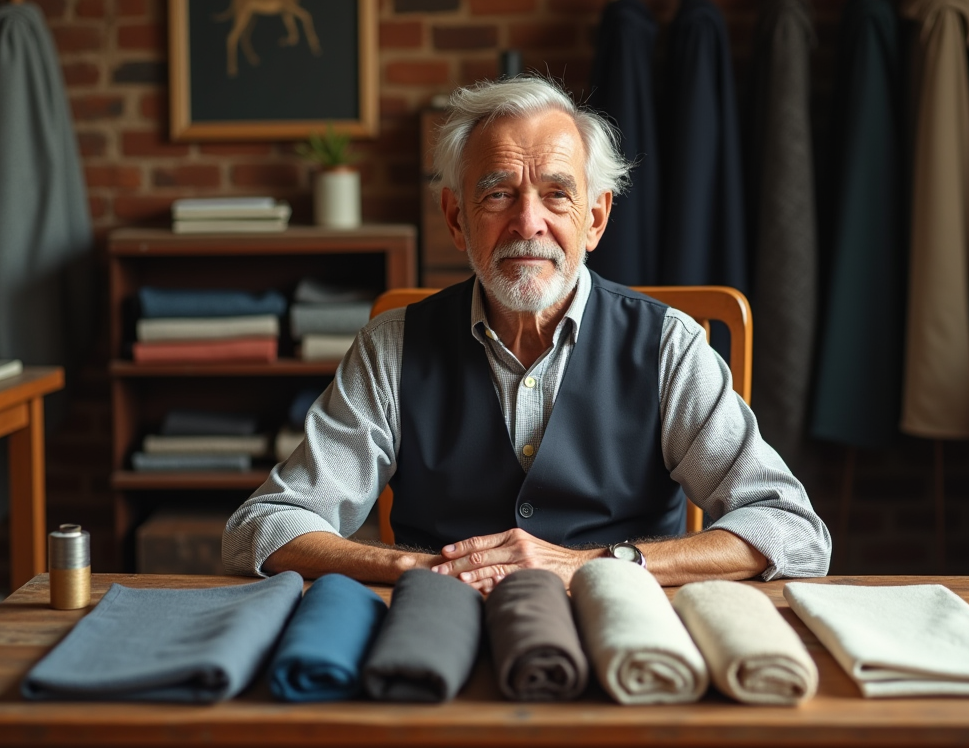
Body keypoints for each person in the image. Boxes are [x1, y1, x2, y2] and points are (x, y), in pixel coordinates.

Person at [223, 76, 831, 592]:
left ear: (595, 218)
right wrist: (415, 566)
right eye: (497, 194)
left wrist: (597, 565)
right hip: (441, 625)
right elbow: (266, 524)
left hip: (627, 632)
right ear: (457, 219)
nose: (527, 222)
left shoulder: (668, 347)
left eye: (556, 194)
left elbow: (791, 529)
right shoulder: (391, 347)